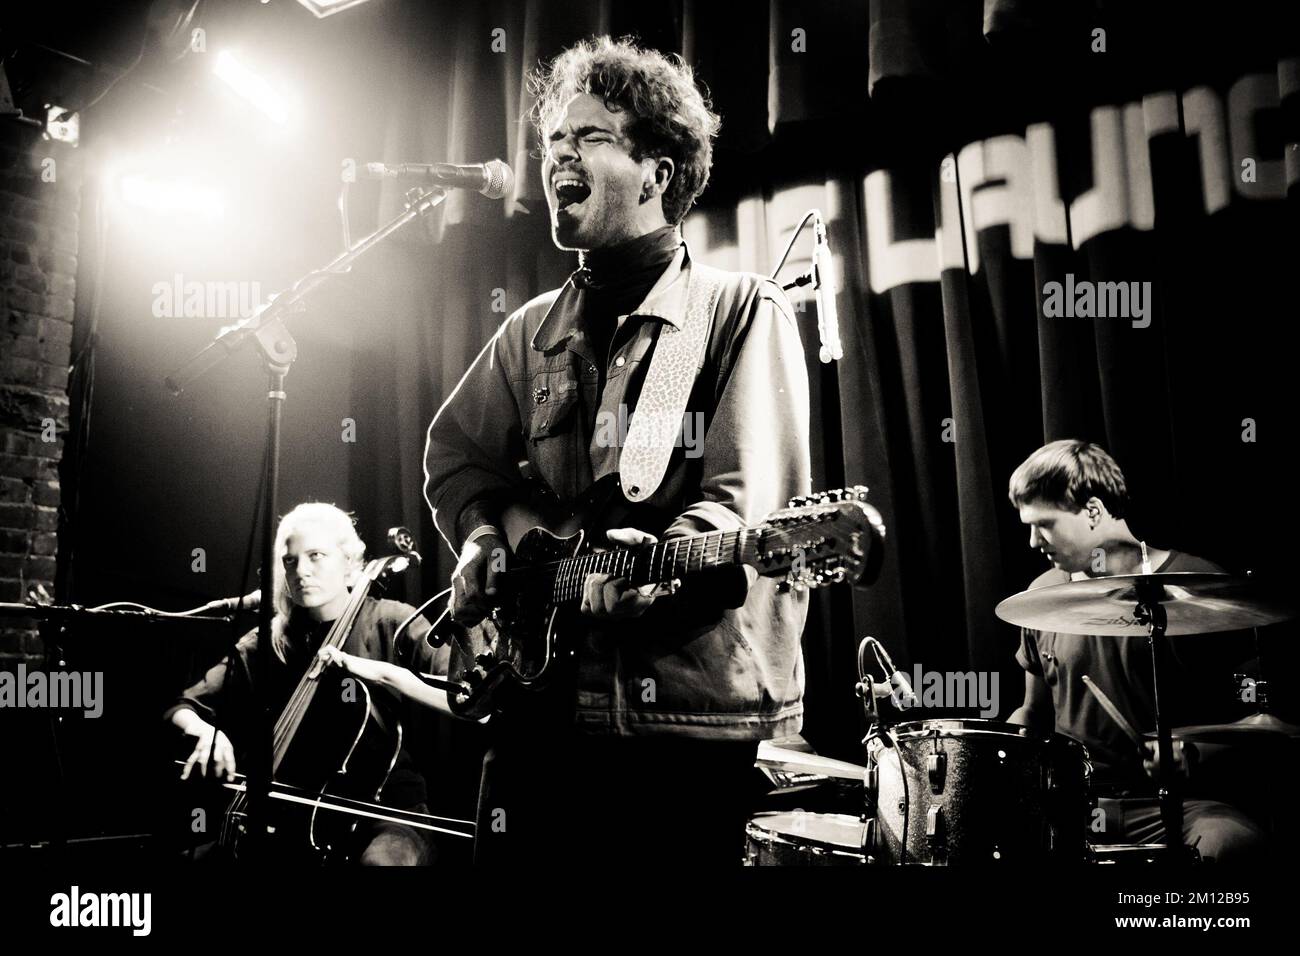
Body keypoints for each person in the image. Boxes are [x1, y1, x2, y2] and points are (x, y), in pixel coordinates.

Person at [423, 35, 813, 865]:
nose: (558, 154)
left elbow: (747, 501)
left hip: (678, 729)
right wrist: (487, 540)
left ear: (657, 172)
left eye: (590, 137)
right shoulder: (530, 331)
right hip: (535, 714)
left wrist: (660, 568)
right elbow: (455, 457)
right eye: (552, 143)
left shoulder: (740, 310)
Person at [1005, 440, 1266, 862]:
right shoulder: (1040, 596)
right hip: (1076, 806)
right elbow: (1032, 714)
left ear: (1092, 511)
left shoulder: (1202, 587)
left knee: (1230, 844)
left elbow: (1257, 721)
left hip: (1183, 807)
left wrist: (1192, 756)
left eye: (1044, 524)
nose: (1034, 541)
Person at [167, 502, 448, 865]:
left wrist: (384, 672)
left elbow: (464, 700)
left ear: (349, 563)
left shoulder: (392, 621)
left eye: (316, 555)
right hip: (292, 817)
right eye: (290, 561)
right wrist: (206, 732)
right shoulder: (268, 641)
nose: (301, 571)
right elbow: (183, 706)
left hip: (385, 810)